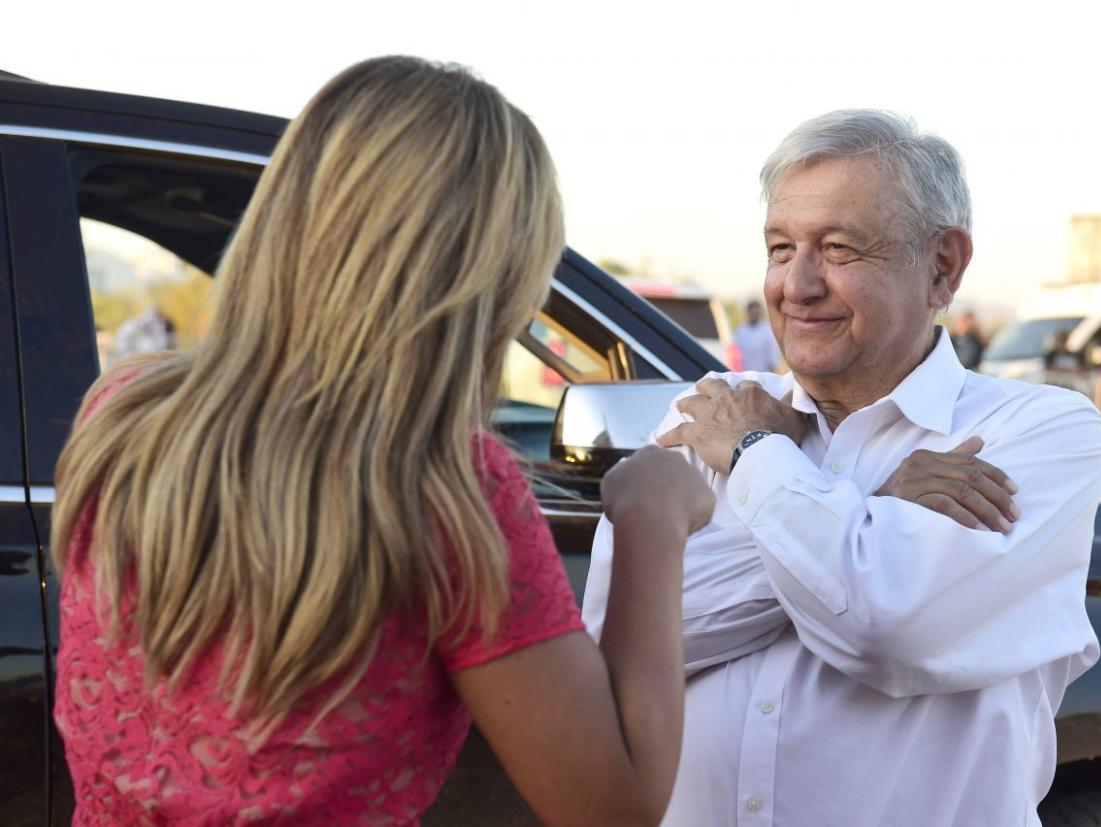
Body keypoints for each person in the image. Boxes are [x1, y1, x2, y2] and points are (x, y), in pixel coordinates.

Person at [51, 57, 714, 826]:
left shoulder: (122, 412)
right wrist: (650, 516)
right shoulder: (446, 491)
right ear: (488, 276)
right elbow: (615, 805)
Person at [583, 109, 1101, 826]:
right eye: (779, 247)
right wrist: (865, 504)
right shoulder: (712, 409)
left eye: (837, 248)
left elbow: (886, 627)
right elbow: (619, 647)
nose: (796, 285)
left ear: (943, 265)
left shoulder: (1037, 433)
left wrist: (755, 461)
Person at [733, 299, 781, 371]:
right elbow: (735, 353)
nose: (754, 315)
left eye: (756, 312)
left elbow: (772, 355)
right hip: (744, 375)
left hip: (763, 375)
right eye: (752, 312)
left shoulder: (767, 331)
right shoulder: (741, 331)